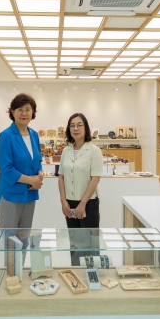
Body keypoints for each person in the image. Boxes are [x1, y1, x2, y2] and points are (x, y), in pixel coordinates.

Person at [58, 113, 102, 265]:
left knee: (90, 242)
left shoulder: (94, 151)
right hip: (69, 204)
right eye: (72, 126)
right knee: (75, 243)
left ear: (86, 128)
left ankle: (92, 273)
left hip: (88, 203)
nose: (75, 128)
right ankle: (76, 272)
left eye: (79, 125)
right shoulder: (66, 151)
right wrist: (63, 201)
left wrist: (82, 203)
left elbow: (95, 179)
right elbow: (61, 177)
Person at [0, 93, 43, 230]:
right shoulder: (6, 136)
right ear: (12, 112)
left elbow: (37, 160)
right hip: (11, 195)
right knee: (9, 238)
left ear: (33, 112)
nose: (24, 113)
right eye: (20, 109)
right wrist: (31, 180)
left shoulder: (34, 135)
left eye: (28, 109)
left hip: (30, 194)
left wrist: (40, 173)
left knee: (24, 237)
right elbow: (6, 169)